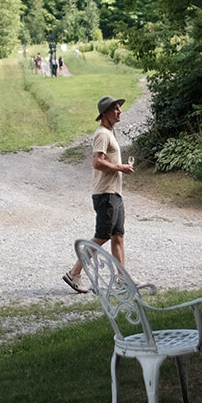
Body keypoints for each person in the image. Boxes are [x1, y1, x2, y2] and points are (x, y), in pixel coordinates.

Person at [63, 95, 134, 293]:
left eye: (120, 108)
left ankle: (122, 279)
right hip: (105, 194)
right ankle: (74, 273)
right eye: (116, 109)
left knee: (118, 236)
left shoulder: (110, 133)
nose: (120, 112)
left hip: (114, 193)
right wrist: (121, 167)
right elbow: (97, 162)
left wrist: (120, 168)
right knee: (102, 236)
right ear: (105, 113)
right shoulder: (102, 134)